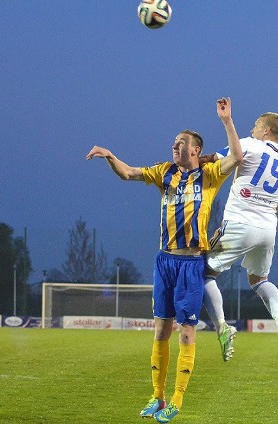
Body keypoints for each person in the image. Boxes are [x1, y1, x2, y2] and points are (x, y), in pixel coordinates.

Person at [86, 97, 242, 423]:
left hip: (192, 263)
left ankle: (176, 400)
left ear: (195, 150)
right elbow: (128, 174)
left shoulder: (210, 174)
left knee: (186, 333)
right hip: (164, 261)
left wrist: (226, 121)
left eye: (180, 143)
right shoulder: (165, 172)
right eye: (173, 142)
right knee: (160, 331)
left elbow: (237, 157)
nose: (174, 146)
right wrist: (110, 156)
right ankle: (156, 396)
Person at [200, 111, 278, 361]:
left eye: (256, 125)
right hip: (268, 229)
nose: (252, 128)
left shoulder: (249, 144)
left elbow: (213, 159)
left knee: (203, 273)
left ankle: (222, 327)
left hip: (239, 222)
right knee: (259, 280)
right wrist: (268, 205)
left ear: (266, 130)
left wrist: (186, 166)